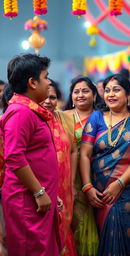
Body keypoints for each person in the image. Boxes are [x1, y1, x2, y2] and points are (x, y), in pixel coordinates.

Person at [0, 54, 62, 255]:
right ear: (32, 83)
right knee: (32, 249)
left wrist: (50, 192)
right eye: (46, 76)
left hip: (37, 197)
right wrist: (39, 192)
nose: (49, 81)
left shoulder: (30, 111)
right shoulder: (20, 113)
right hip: (27, 201)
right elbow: (14, 157)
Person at [80, 74, 130, 255]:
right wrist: (87, 187)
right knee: (105, 237)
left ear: (128, 94)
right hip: (99, 191)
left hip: (128, 189)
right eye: (107, 90)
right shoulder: (96, 118)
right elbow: (85, 154)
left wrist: (120, 183)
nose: (110, 94)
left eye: (116, 90)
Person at [42, 79, 78, 256]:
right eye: (45, 97)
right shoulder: (34, 119)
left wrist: (71, 183)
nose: (48, 101)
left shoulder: (65, 118)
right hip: (43, 185)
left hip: (64, 185)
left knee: (64, 225)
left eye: (53, 97)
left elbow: (73, 150)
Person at [65, 76, 100, 256]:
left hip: (99, 175)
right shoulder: (63, 117)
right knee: (75, 222)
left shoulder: (102, 116)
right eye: (76, 92)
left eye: (85, 91)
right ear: (71, 96)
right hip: (70, 177)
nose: (80, 95)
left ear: (94, 95)